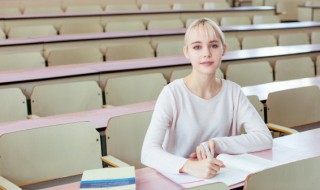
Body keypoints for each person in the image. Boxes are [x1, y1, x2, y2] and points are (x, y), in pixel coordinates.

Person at [141, 18, 273, 179]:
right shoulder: (172, 93)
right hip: (180, 178)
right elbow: (148, 152)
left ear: (223, 49)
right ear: (186, 52)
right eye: (197, 47)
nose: (206, 53)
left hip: (223, 177)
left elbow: (264, 137)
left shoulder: (233, 91)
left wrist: (218, 144)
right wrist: (188, 166)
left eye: (214, 45)